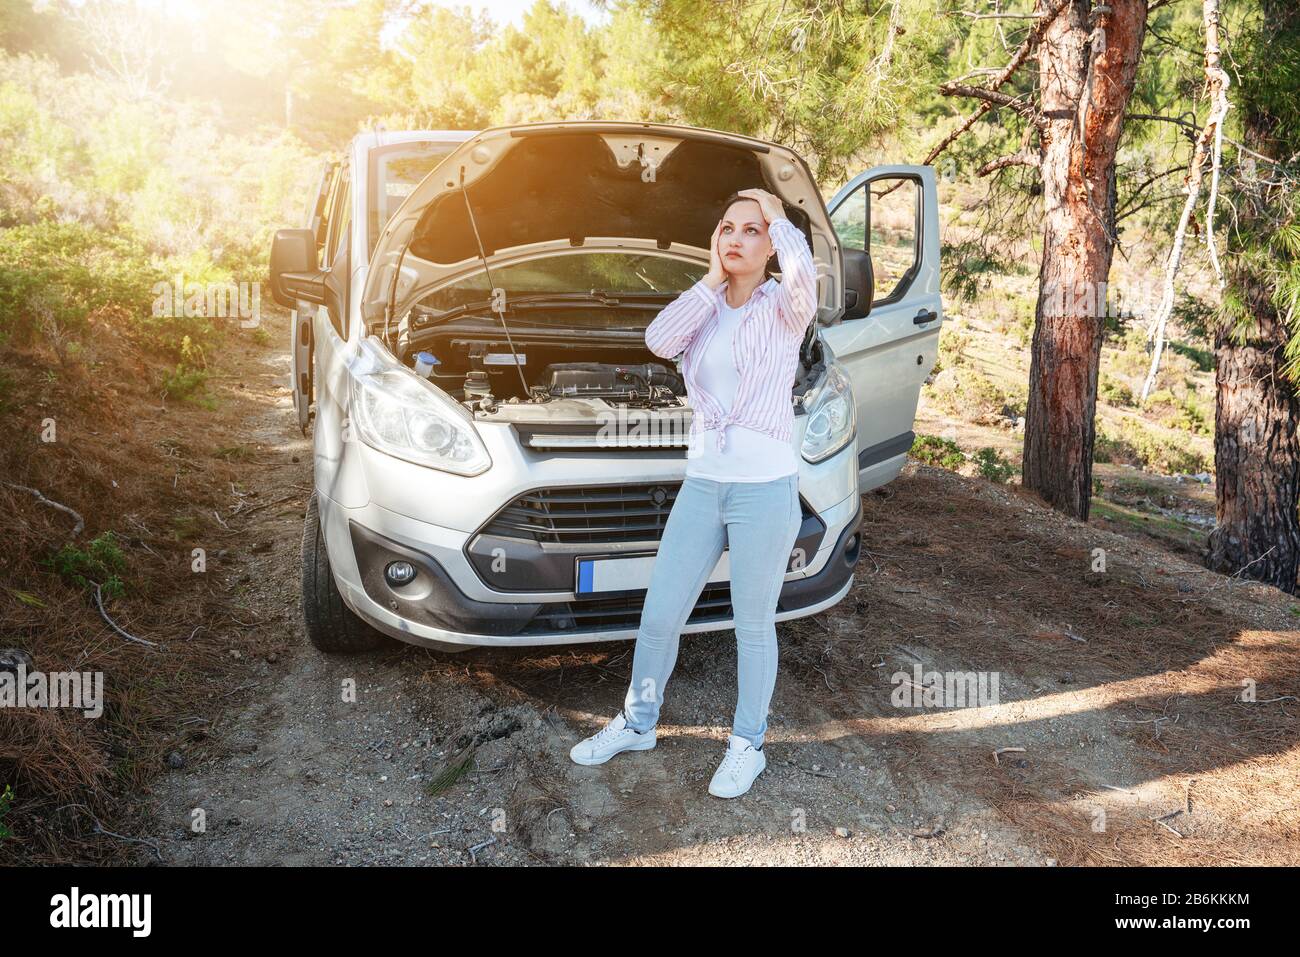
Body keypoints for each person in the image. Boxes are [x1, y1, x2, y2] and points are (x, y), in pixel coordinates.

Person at [569, 186, 819, 798]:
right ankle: (637, 722)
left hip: (763, 488)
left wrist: (782, 218)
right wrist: (710, 281)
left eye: (751, 231)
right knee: (659, 616)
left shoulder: (784, 308)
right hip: (704, 484)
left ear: (771, 245)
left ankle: (747, 743)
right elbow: (658, 339)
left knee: (752, 625)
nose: (736, 238)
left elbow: (807, 280)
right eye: (727, 227)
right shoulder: (707, 307)